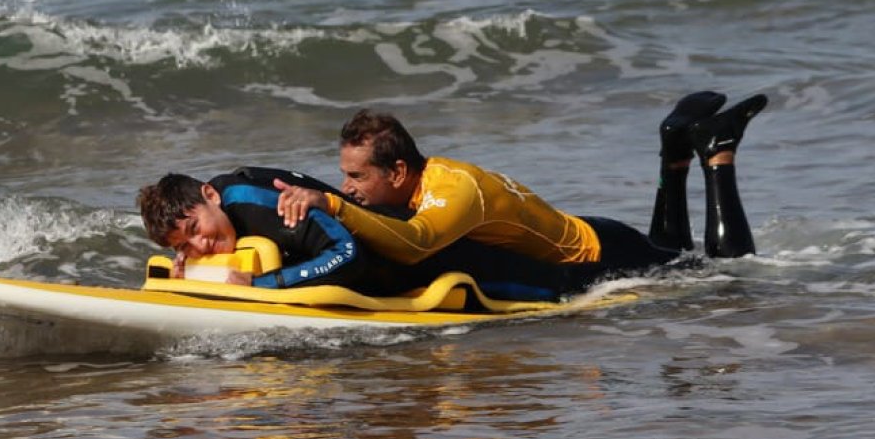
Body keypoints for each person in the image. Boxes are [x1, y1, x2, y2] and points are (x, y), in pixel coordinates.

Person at [273, 92, 766, 291]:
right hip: (592, 235)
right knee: (678, 254)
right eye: (344, 178)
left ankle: (718, 153)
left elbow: (417, 242)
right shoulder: (430, 181)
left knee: (727, 278)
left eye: (357, 177)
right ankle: (675, 148)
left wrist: (329, 204)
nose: (347, 187)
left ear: (398, 171)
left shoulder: (452, 192)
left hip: (603, 254)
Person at [137, 166, 575, 300]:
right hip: (386, 271)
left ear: (211, 195)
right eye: (184, 245)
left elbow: (348, 256)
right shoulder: (222, 215)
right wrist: (192, 266)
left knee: (571, 289)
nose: (200, 244)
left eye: (195, 229)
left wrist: (263, 283)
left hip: (425, 263)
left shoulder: (266, 204)